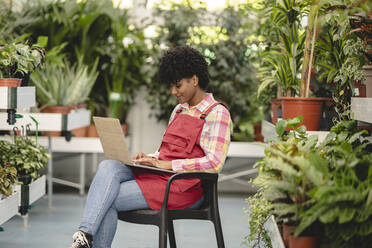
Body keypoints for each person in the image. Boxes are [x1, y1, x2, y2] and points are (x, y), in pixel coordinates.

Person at [69, 45, 232, 248]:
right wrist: (149, 158)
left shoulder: (217, 113)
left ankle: (85, 237)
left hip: (183, 188)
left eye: (178, 85)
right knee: (109, 166)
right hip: (160, 178)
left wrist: (167, 166)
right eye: (171, 86)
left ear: (195, 80)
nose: (173, 92)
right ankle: (84, 235)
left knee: (106, 198)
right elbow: (168, 150)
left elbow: (214, 163)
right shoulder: (179, 110)